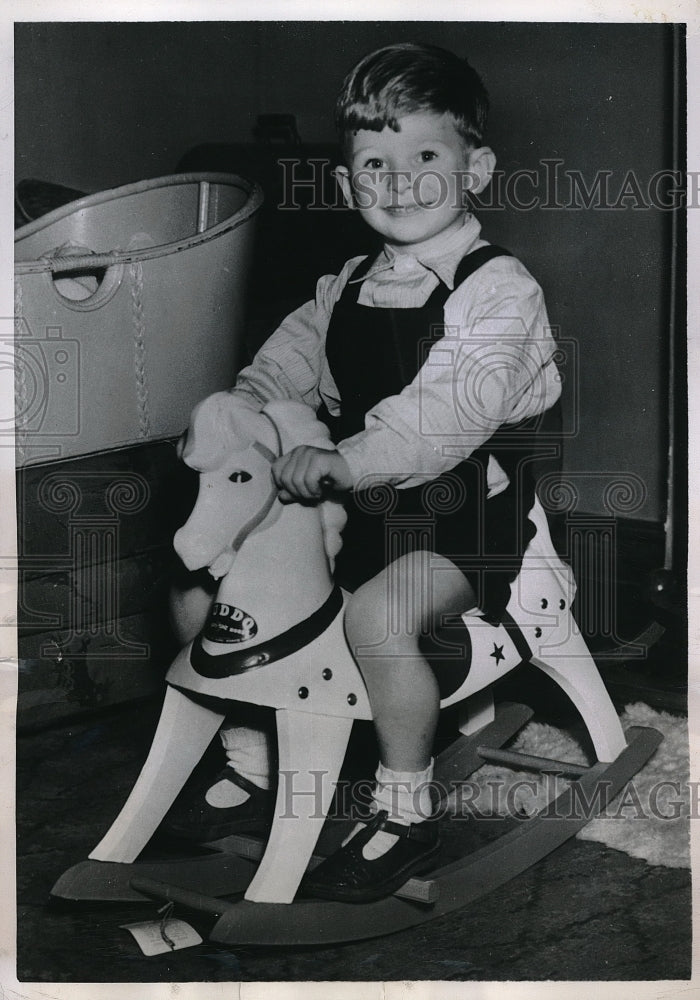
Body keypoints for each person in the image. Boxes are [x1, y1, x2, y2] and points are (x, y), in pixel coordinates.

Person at [168, 41, 562, 903]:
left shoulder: (500, 292)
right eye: (373, 163)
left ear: (477, 169)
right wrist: (243, 423)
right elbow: (277, 372)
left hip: (470, 522)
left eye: (426, 155)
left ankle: (405, 809)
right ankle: (256, 759)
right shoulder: (343, 284)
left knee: (380, 621)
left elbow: (443, 416)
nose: (399, 180)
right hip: (364, 509)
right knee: (209, 592)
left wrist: (345, 458)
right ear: (348, 182)